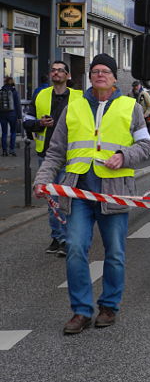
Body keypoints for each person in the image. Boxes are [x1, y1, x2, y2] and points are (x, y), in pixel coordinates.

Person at [33, 54, 150, 334]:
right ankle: (81, 311)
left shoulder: (130, 107)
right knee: (74, 249)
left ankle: (109, 306)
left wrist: (124, 155)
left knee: (115, 253)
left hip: (113, 193)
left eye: (105, 71)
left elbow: (145, 146)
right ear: (89, 77)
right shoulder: (73, 108)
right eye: (95, 71)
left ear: (114, 77)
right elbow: (56, 152)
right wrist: (42, 180)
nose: (99, 75)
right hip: (78, 192)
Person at [24, 61, 83, 256]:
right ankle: (57, 237)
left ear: (68, 76)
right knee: (51, 200)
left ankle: (68, 239)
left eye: (60, 70)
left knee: (65, 199)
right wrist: (39, 123)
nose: (56, 73)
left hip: (70, 156)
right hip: (46, 155)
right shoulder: (41, 94)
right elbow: (27, 120)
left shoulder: (79, 96)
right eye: (53, 70)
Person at [0, 76, 22, 156]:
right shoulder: (14, 92)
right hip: (13, 114)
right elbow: (18, 105)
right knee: (13, 132)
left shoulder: (1, 91)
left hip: (2, 115)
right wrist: (19, 117)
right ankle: (12, 150)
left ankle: (4, 150)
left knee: (4, 133)